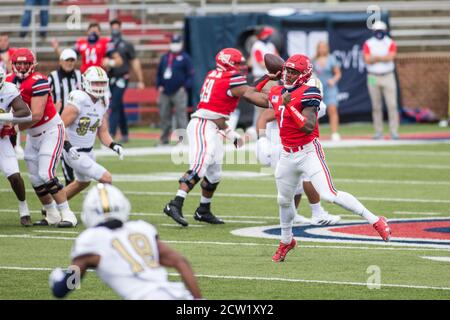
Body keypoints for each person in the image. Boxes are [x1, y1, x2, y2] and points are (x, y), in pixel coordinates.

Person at [245, 54, 391, 262]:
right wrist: (267, 76)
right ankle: (286, 240)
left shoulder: (310, 92)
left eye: (293, 71)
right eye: (287, 70)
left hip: (308, 151)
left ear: (303, 75)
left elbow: (307, 126)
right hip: (287, 153)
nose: (287, 74)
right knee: (283, 200)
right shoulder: (277, 91)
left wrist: (289, 107)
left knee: (329, 194)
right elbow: (249, 94)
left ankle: (375, 220)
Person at [163, 48, 269, 227]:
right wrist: (274, 95)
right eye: (238, 64)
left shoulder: (215, 74)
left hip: (212, 124)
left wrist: (231, 134)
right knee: (199, 166)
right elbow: (250, 94)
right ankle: (175, 203)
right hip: (203, 125)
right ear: (228, 63)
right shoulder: (230, 79)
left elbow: (217, 113)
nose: (241, 67)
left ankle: (203, 210)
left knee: (214, 174)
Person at [49, 183, 202, 300]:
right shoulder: (141, 229)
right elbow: (180, 262)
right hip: (179, 295)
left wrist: (56, 280)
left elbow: (68, 285)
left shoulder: (91, 240)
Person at [7, 48, 77, 228]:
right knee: (35, 179)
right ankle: (52, 214)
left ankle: (67, 213)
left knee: (46, 174)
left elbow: (36, 115)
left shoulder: (39, 81)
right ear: (13, 64)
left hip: (50, 130)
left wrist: (13, 127)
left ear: (33, 65)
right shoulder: (7, 81)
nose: (22, 67)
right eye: (18, 63)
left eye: (25, 63)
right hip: (32, 135)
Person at [256, 76, 341, 225]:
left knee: (297, 183)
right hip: (275, 147)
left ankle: (293, 215)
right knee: (306, 176)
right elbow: (263, 116)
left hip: (284, 146)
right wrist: (262, 139)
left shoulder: (308, 102)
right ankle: (318, 213)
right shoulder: (292, 99)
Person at [61, 66, 124, 201]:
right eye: (96, 82)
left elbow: (103, 130)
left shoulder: (103, 101)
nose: (99, 86)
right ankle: (104, 212)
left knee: (83, 182)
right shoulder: (79, 99)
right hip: (74, 151)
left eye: (102, 83)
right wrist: (67, 146)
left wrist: (114, 145)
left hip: (89, 152)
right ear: (86, 83)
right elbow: (59, 126)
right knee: (106, 178)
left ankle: (52, 207)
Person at [0, 67, 32, 226]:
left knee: (14, 176)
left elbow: (26, 112)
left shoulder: (8, 89)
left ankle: (23, 207)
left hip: (1, 140)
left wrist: (4, 118)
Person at [106, 19, 145, 143]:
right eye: (113, 28)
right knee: (119, 105)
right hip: (110, 78)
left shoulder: (126, 45)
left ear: (120, 29)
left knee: (114, 104)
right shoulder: (107, 44)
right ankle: (125, 133)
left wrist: (140, 79)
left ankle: (111, 133)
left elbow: (134, 61)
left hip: (123, 77)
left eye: (117, 27)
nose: (115, 30)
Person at [48, 48, 82, 186]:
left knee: (76, 152)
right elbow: (45, 97)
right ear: (61, 61)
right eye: (67, 60)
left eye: (72, 60)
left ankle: (73, 181)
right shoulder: (52, 77)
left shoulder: (80, 76)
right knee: (63, 152)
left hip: (76, 123)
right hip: (58, 121)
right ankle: (69, 181)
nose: (70, 63)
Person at [363, 20, 399, 140]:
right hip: (373, 76)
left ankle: (394, 131)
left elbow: (391, 57)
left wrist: (376, 58)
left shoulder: (390, 42)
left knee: (392, 105)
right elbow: (367, 59)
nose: (379, 33)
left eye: (381, 31)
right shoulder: (369, 43)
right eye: (377, 31)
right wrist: (383, 58)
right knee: (376, 105)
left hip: (388, 75)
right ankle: (378, 131)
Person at [156, 34, 194, 145]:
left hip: (179, 91)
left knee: (181, 116)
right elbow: (159, 73)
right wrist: (159, 85)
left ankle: (182, 140)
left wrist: (185, 87)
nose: (174, 45)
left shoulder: (185, 58)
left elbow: (191, 75)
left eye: (177, 43)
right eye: (173, 42)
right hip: (165, 91)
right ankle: (164, 139)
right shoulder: (165, 57)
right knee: (164, 116)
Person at [51, 23, 120, 74]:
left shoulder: (105, 42)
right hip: (85, 75)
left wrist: (110, 62)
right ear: (87, 32)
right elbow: (65, 55)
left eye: (95, 32)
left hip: (100, 76)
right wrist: (57, 48)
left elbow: (119, 61)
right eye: (91, 31)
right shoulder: (81, 42)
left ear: (99, 32)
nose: (93, 34)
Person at [249, 26, 279, 134]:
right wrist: (274, 65)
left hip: (274, 77)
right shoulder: (257, 46)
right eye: (266, 34)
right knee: (261, 106)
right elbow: (262, 64)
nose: (269, 36)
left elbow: (278, 58)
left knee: (275, 104)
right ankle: (257, 130)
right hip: (263, 78)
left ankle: (271, 130)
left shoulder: (270, 45)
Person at [313, 41, 342, 142]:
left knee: (332, 109)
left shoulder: (331, 59)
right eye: (320, 47)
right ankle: (315, 134)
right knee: (315, 111)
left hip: (330, 88)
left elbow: (338, 74)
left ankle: (334, 133)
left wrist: (333, 80)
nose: (322, 49)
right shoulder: (314, 60)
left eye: (324, 47)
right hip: (317, 88)